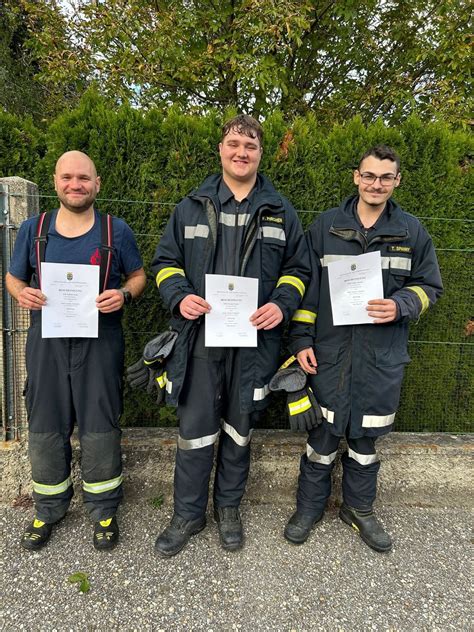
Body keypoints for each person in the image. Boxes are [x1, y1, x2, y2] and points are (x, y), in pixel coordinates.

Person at [151, 114, 310, 556]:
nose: (242, 152)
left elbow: (299, 270)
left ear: (261, 153)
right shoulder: (190, 205)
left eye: (251, 145)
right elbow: (165, 263)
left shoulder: (281, 211)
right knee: (196, 429)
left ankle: (228, 509)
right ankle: (187, 514)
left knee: (240, 429)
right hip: (200, 339)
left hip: (254, 342)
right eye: (234, 143)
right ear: (221, 150)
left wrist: (281, 304)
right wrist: (180, 297)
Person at [285, 145, 443, 552]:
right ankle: (308, 508)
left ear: (397, 181)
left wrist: (401, 305)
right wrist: (301, 340)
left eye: (385, 177)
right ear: (356, 176)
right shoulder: (325, 227)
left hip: (381, 358)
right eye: (369, 176)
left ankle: (359, 510)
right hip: (331, 355)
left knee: (366, 442)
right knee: (321, 437)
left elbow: (429, 287)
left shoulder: (412, 232)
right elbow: (306, 290)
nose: (376, 184)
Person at [6, 151, 146, 551]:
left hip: (100, 343)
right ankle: (48, 508)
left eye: (83, 177)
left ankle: (103, 507)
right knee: (45, 426)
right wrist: (22, 293)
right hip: (46, 343)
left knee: (100, 425)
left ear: (97, 183)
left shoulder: (115, 231)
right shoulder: (34, 230)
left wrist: (123, 293)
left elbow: (139, 277)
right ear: (55, 182)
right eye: (67, 177)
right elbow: (13, 279)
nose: (75, 184)